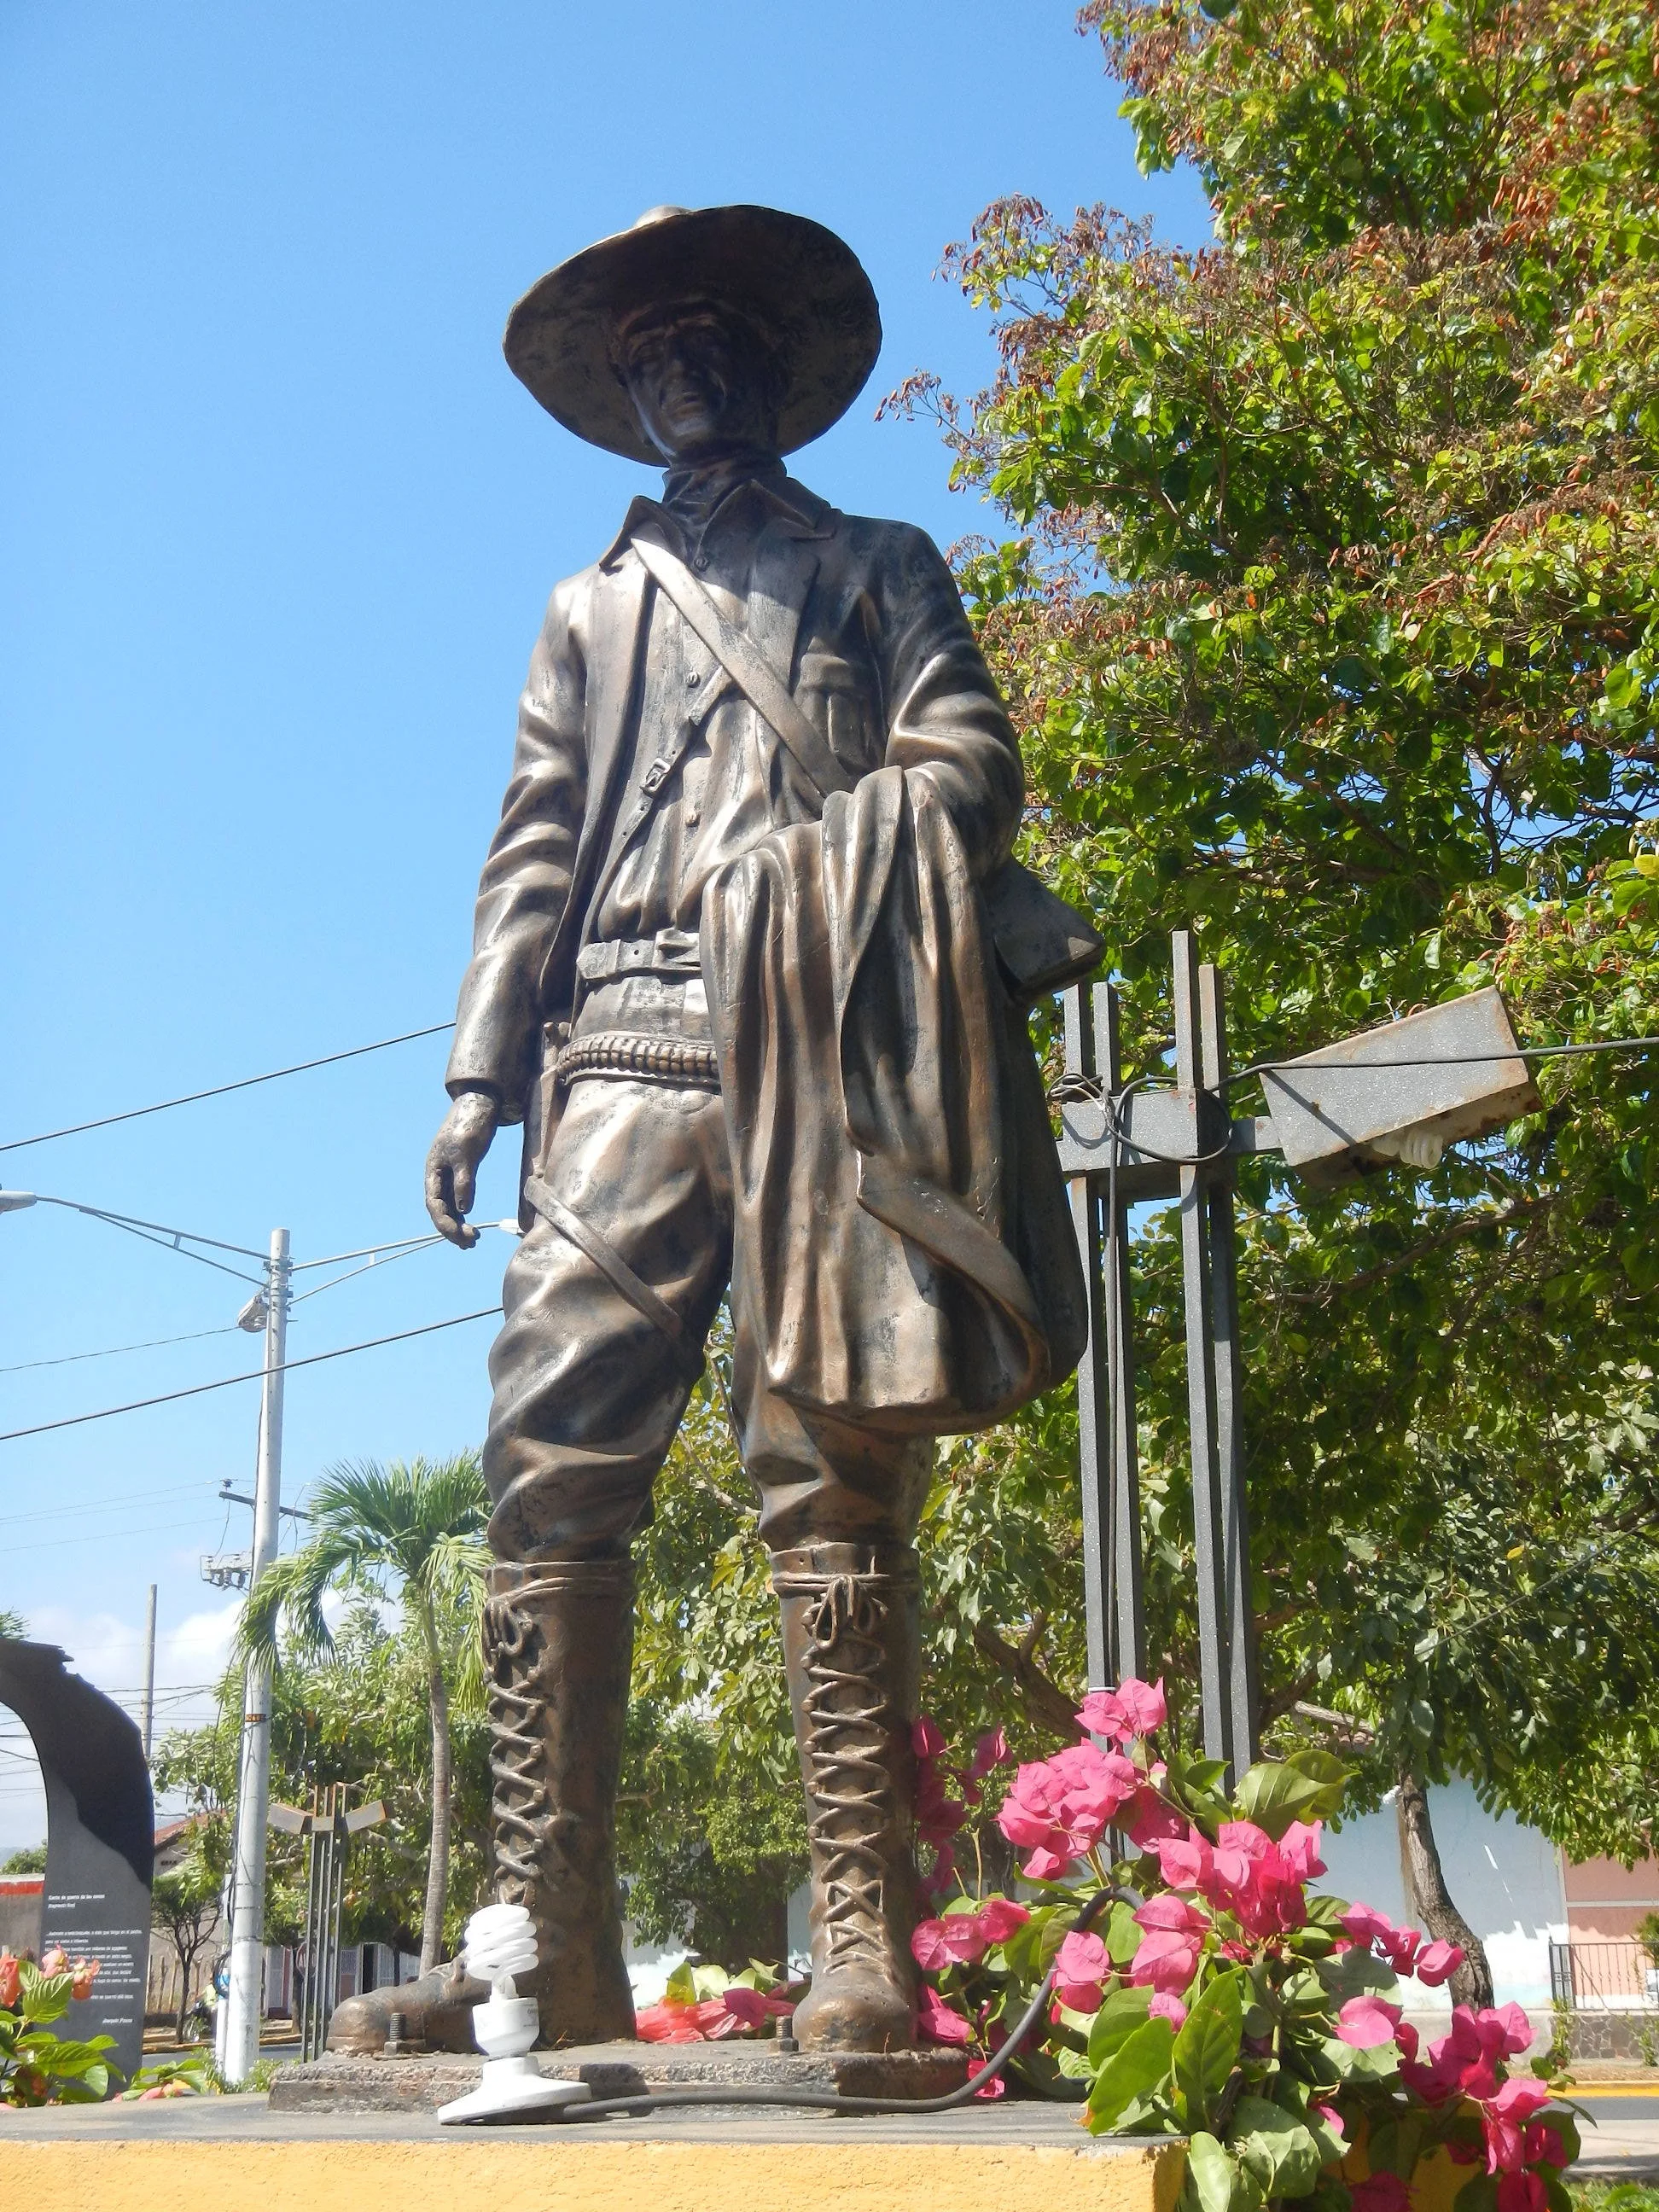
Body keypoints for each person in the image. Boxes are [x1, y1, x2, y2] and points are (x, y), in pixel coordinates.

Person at [333, 204, 1091, 2060]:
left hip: (826, 1054)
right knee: (546, 1458)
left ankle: (860, 1945)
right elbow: (529, 843)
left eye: (714, 343)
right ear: (630, 387)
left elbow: (969, 758)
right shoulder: (587, 609)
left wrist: (830, 863)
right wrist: (474, 1075)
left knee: (830, 1467)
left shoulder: (879, 565)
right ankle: (546, 1948)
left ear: (770, 373)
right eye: (651, 349)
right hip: (628, 1053)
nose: (684, 370)